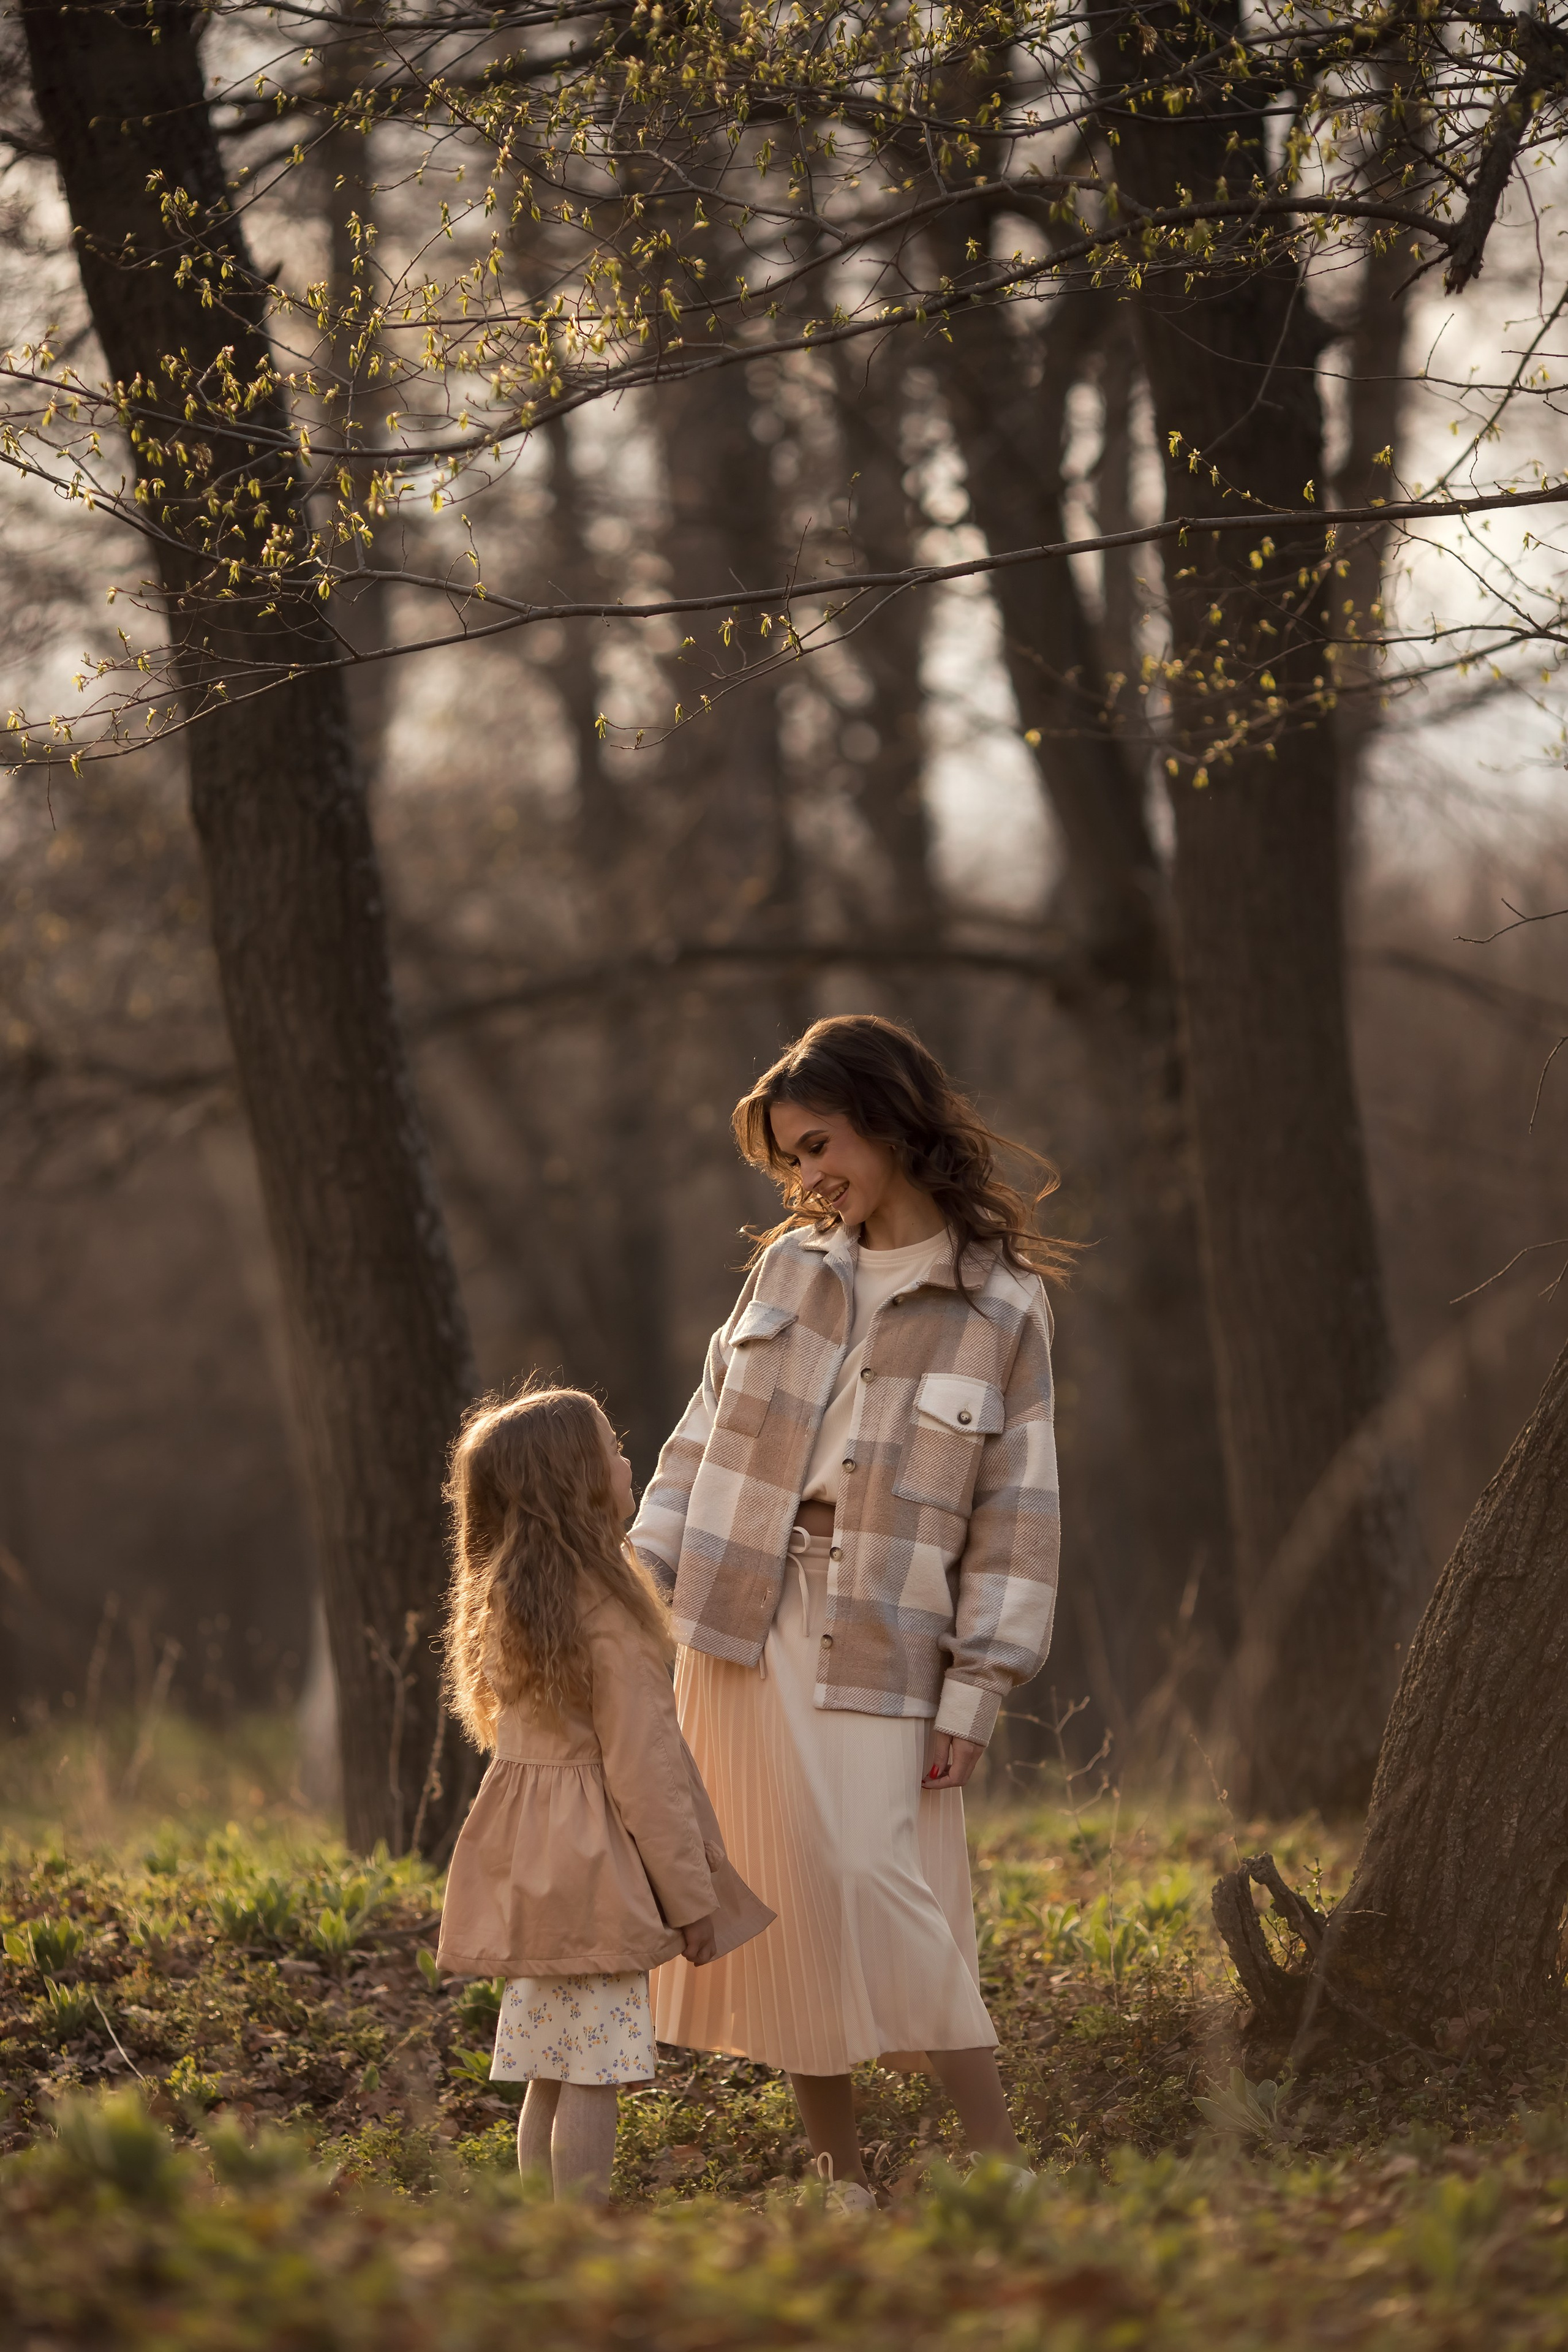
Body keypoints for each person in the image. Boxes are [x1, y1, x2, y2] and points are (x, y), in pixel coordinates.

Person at [632, 1014, 1066, 2207]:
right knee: (781, 1891)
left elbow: (1017, 1519)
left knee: (877, 1873)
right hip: (737, 1619)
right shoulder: (785, 1273)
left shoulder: (1002, 1307)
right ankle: (838, 2180)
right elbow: (695, 1440)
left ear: (885, 1115)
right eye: (788, 1161)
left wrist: (979, 1685)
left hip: (888, 1632)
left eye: (817, 1144)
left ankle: (996, 2172)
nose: (807, 1178)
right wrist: (633, 1583)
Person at [437, 1384, 773, 2203]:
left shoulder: (512, 1602)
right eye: (614, 1451)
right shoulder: (609, 1615)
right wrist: (691, 1899)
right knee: (593, 2067)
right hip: (593, 1874)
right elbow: (646, 1774)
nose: (629, 1461)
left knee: (547, 2066)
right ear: (579, 1483)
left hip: (531, 1864)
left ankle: (540, 2223)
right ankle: (578, 2235)